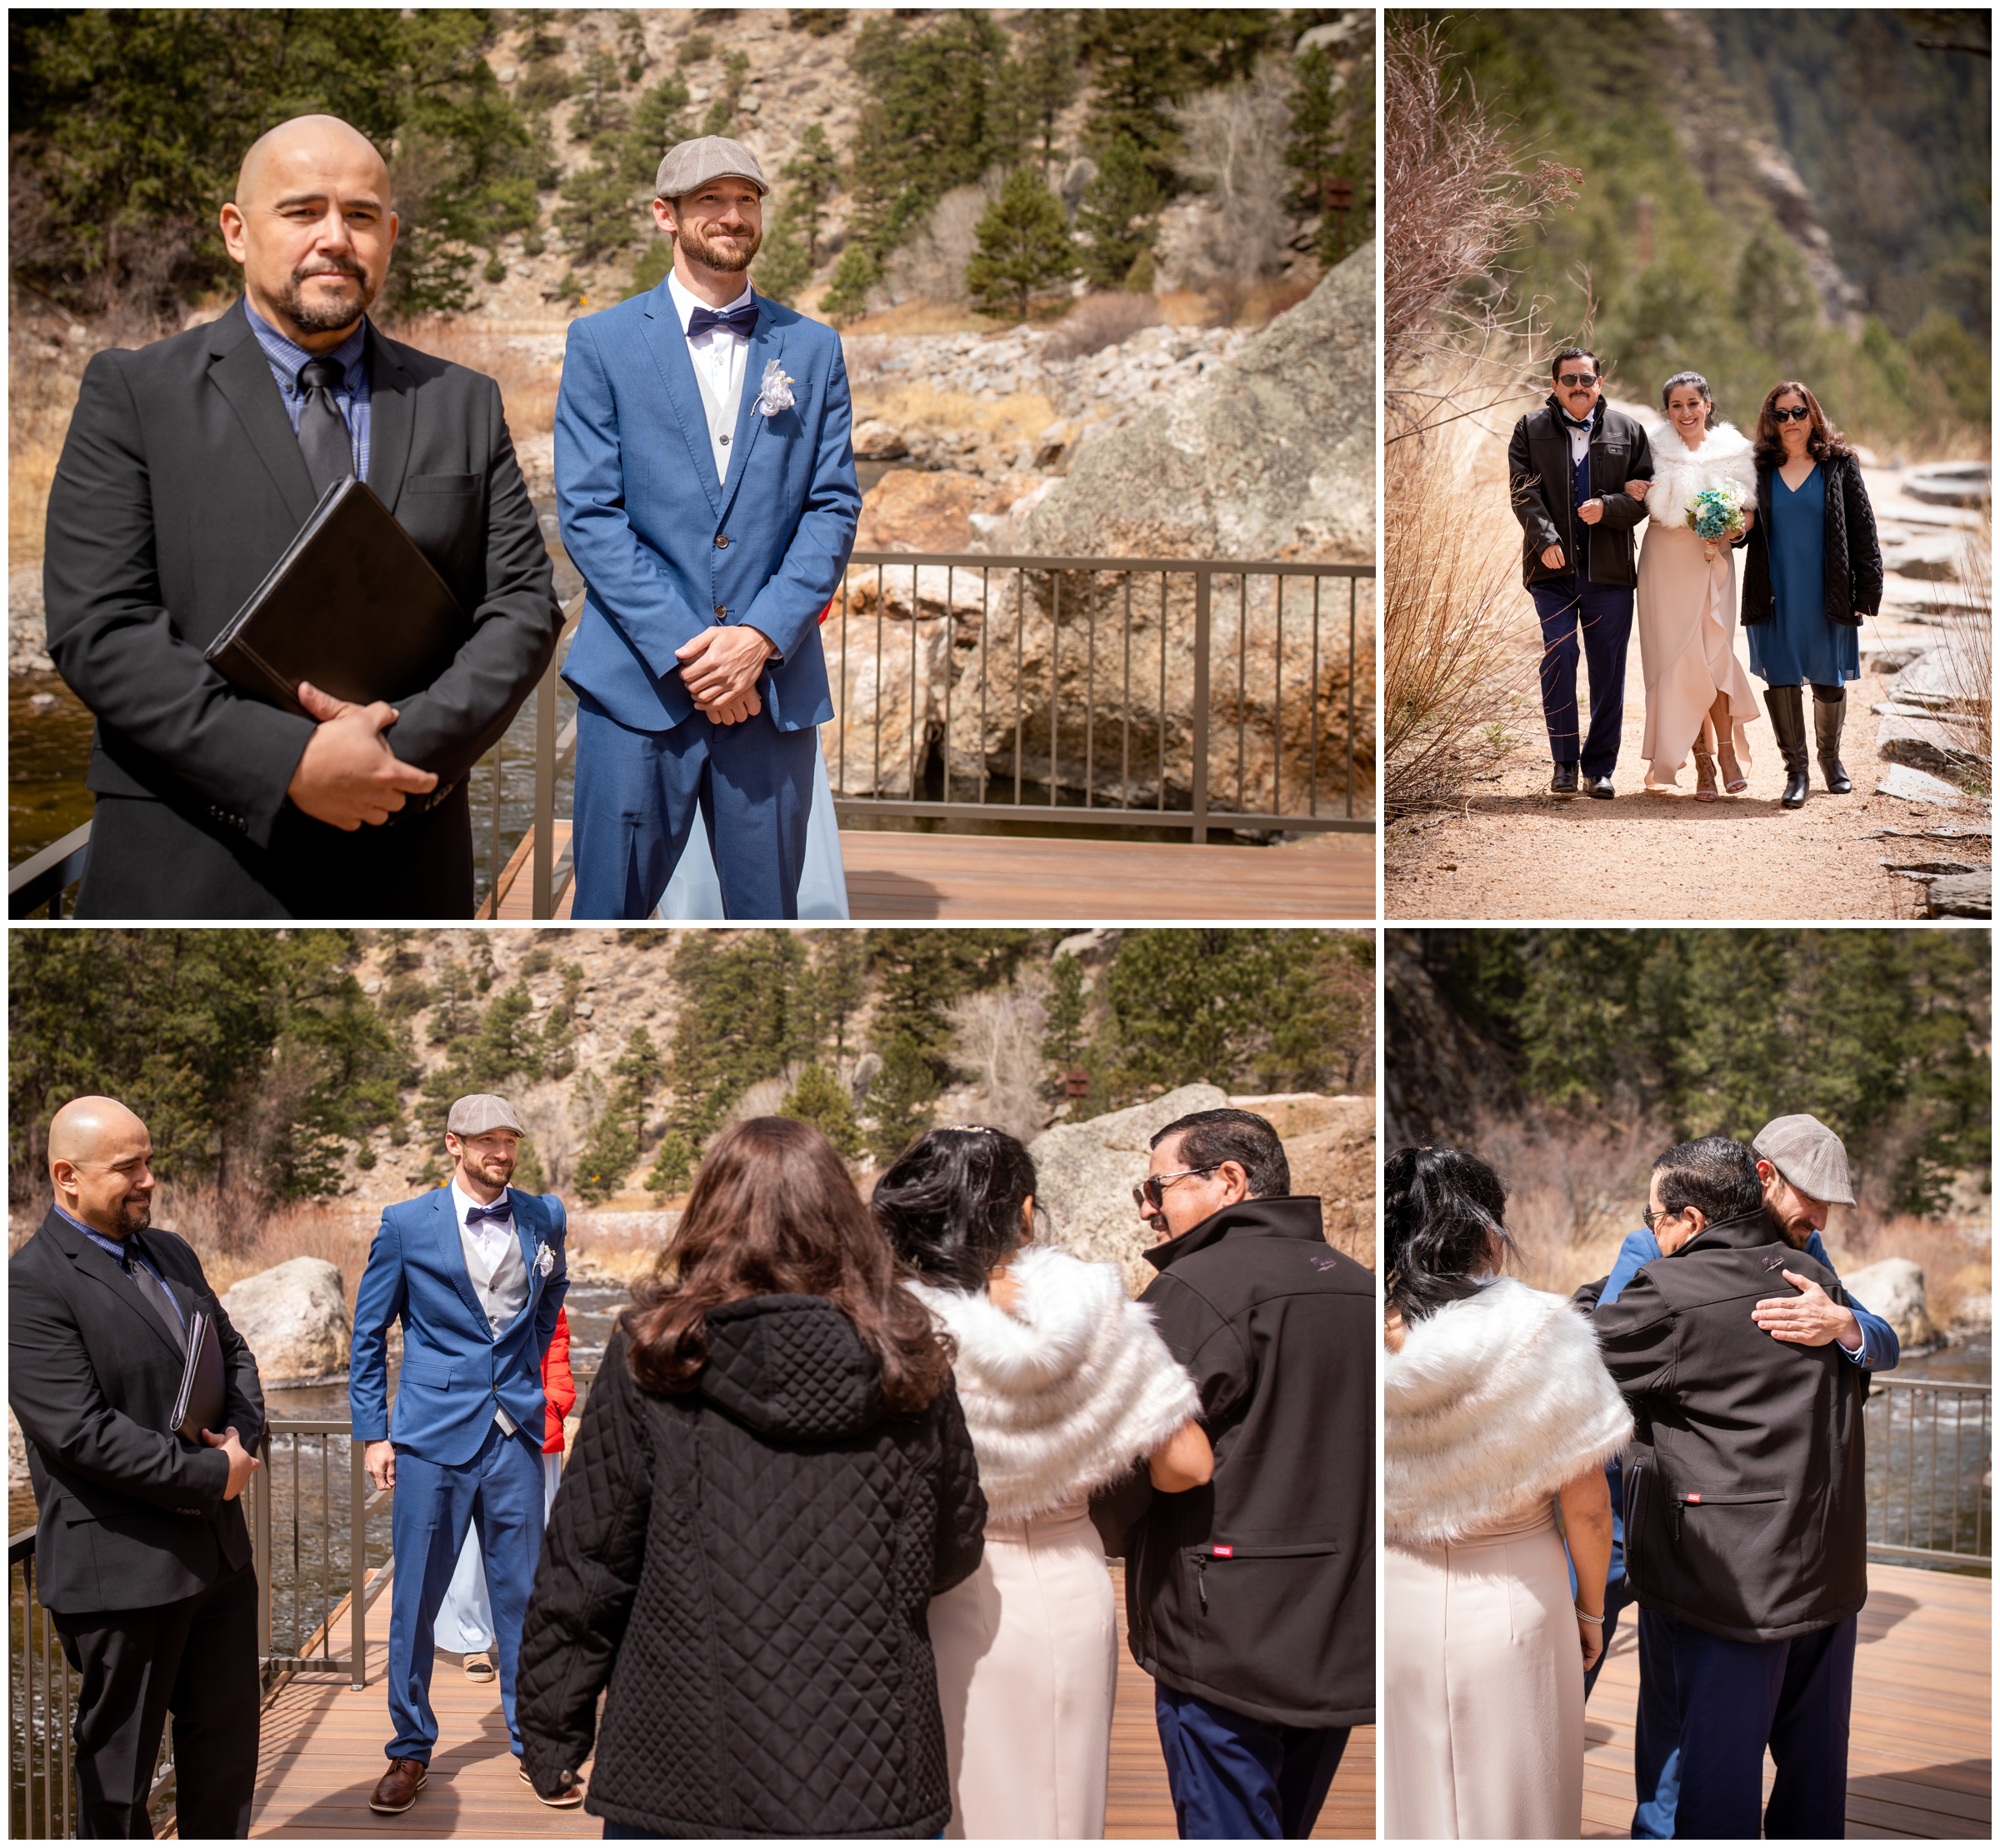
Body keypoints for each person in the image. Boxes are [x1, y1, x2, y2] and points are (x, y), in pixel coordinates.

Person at [42, 114, 561, 918]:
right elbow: (99, 626)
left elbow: (524, 607)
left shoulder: (462, 402)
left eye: (359, 216)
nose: (334, 238)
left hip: (405, 856)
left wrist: (398, 748)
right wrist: (289, 763)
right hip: (190, 868)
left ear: (389, 234)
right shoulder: (135, 395)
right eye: (301, 211)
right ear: (237, 231)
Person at [515, 1117, 988, 1836]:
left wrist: (554, 1727)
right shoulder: (908, 1356)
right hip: (873, 1755)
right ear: (844, 1220)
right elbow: (956, 1542)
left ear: (708, 1217)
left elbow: (588, 1565)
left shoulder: (657, 1356)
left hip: (684, 1757)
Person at [874, 1126, 1212, 1838]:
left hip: (943, 1584)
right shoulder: (1098, 1310)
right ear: (1025, 1212)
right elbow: (1187, 1465)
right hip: (1068, 1574)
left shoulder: (895, 1326)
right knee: (1061, 1798)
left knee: (954, 1800)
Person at [556, 134, 861, 919]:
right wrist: (697, 657)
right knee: (606, 918)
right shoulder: (602, 342)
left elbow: (833, 508)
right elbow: (589, 515)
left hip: (770, 696)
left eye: (747, 199)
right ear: (667, 215)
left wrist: (757, 639)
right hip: (640, 690)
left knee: (767, 923)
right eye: (710, 201)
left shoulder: (814, 349)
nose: (732, 216)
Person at [1575, 1112, 1897, 1838]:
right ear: (1761, 1179)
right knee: (1662, 1724)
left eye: (1830, 1208)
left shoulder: (1812, 1271)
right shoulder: (1667, 1252)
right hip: (1649, 1517)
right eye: (1811, 1197)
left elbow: (1584, 1361)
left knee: (1700, 1747)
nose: (1819, 1219)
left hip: (1720, 1560)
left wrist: (1846, 1326)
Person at [1099, 1108, 1372, 1841]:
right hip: (1341, 1626)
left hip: (1222, 1633)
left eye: (1157, 1188)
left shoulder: (1191, 1291)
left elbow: (1146, 1458)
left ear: (1229, 1180)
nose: (1149, 1208)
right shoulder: (1361, 1287)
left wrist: (1099, 1524)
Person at [8, 1097, 266, 1838]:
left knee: (225, 1760)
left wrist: (242, 1443)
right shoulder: (30, 1286)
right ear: (67, 1177)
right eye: (128, 1168)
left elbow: (235, 1353)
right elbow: (81, 1433)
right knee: (117, 1782)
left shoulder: (173, 1252)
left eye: (148, 1161)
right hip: (121, 1574)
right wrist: (212, 1476)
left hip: (218, 1558)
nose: (148, 1179)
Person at [1381, 1146, 1632, 1840]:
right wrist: (1590, 1611)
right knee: (1521, 1798)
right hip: (1515, 1595)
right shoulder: (1542, 1331)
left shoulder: (1364, 1331)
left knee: (1412, 1802)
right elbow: (1586, 1506)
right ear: (1488, 1227)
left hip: (1395, 1595)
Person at [349, 1093, 571, 1816]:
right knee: (413, 1601)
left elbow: (550, 1298)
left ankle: (532, 1740)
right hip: (430, 1441)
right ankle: (409, 1751)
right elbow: (369, 1335)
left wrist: (526, 1381)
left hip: (513, 1436)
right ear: (453, 1144)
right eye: (485, 1141)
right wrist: (374, 1433)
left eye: (509, 1140)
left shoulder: (545, 1216)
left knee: (525, 1599)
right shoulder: (406, 1225)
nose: (500, 1153)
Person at [1507, 347, 1655, 799]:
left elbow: (1647, 496)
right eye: (1568, 379)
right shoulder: (1529, 430)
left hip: (1609, 574)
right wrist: (1545, 539)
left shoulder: (1629, 431)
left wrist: (1608, 507)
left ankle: (1600, 768)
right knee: (1560, 655)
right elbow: (1522, 493)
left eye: (1586, 379)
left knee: (1609, 671)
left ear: (1599, 383)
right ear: (1554, 386)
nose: (1578, 387)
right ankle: (1565, 763)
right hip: (1550, 572)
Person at [1738, 380, 1883, 808]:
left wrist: (1868, 588)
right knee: (1783, 676)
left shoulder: (1840, 465)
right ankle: (1796, 772)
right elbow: (1742, 531)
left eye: (1798, 412)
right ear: (1770, 419)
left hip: (1827, 589)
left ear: (1813, 414)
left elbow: (1863, 531)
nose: (1790, 421)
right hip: (1775, 590)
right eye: (1780, 414)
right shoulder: (1758, 468)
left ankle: (1831, 760)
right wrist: (1724, 531)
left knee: (1827, 678)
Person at [1628, 372, 1760, 801]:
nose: (1685, 413)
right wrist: (1631, 488)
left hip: (1713, 562)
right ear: (1668, 411)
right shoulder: (1650, 448)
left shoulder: (1736, 453)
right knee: (1678, 661)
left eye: (1693, 403)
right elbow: (1626, 487)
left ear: (1708, 404)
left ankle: (1726, 755)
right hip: (1664, 563)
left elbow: (1750, 514)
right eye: (1676, 406)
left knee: (1713, 656)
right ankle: (1703, 765)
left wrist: (1730, 530)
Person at [432, 1306, 576, 1681]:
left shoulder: (542, 1280)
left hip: (535, 1426)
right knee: (469, 1548)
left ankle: (533, 1636)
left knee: (536, 1539)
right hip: (471, 1426)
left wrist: (554, 1405)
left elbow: (557, 1350)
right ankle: (472, 1640)